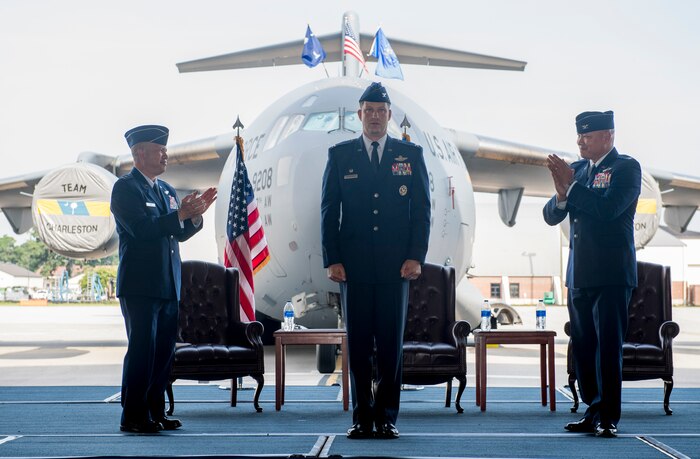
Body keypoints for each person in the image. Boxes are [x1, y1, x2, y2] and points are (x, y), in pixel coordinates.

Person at [321, 82, 431, 439]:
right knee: (358, 346)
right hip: (353, 268)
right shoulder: (340, 155)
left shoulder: (409, 155)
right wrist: (332, 258)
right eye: (367, 110)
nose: (373, 117)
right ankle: (361, 416)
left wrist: (416, 256)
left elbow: (422, 211)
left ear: (389, 116)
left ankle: (386, 416)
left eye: (380, 111)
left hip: (395, 266)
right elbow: (328, 211)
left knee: (389, 346)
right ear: (359, 115)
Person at [111, 125, 217, 433]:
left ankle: (156, 413)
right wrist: (179, 216)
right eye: (160, 151)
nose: (166, 155)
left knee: (163, 353)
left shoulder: (167, 190)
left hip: (169, 283)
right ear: (139, 153)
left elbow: (179, 233)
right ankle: (133, 416)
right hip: (140, 285)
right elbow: (141, 229)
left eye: (166, 150)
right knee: (142, 350)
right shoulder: (126, 188)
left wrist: (195, 215)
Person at [543, 111, 641, 438]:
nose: (579, 141)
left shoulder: (626, 168)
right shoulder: (579, 170)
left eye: (586, 136)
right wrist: (561, 195)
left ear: (607, 136)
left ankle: (608, 416)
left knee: (607, 348)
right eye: (579, 135)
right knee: (583, 346)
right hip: (580, 275)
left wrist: (571, 188)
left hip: (612, 275)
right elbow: (550, 216)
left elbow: (608, 209)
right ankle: (592, 409)